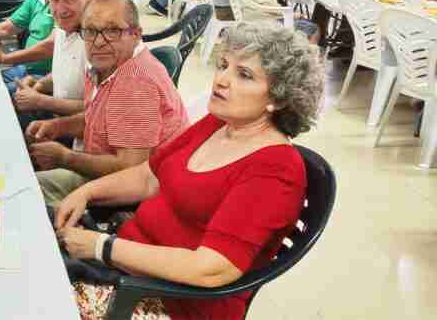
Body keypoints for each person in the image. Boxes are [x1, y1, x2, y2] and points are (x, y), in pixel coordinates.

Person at [56, 21, 323, 320]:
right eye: (223, 65)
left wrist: (102, 247)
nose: (221, 80)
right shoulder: (217, 124)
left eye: (244, 74)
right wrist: (86, 192)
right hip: (123, 266)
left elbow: (210, 269)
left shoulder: (276, 172)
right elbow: (148, 177)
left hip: (169, 303)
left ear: (278, 98)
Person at [26, 0, 188, 207]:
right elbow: (98, 117)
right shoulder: (104, 63)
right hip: (104, 166)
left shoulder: (135, 82)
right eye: (91, 31)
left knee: (25, 194)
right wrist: (57, 126)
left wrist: (65, 157)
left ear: (136, 34)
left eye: (112, 30)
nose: (99, 42)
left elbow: (130, 169)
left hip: (136, 193)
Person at [13, 0, 94, 137]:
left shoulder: (99, 43)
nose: (60, 9)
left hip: (78, 131)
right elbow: (66, 72)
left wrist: (41, 101)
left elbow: (96, 108)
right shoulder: (62, 29)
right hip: (56, 115)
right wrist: (39, 85)